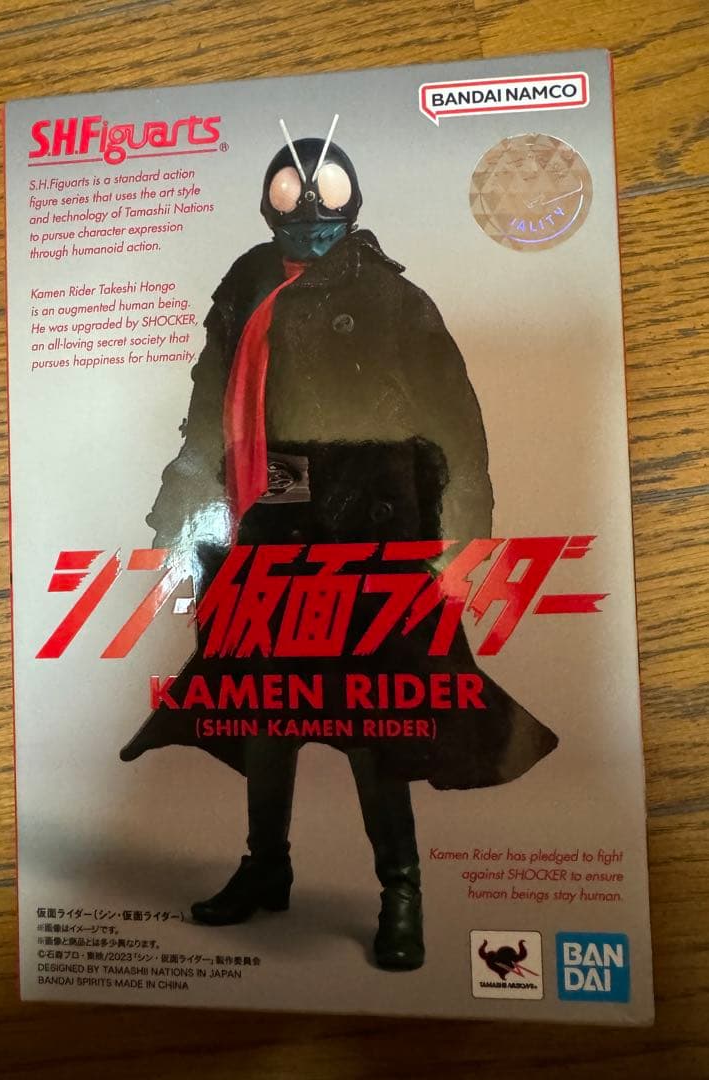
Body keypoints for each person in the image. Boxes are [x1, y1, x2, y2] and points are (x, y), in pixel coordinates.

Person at [121, 119, 557, 970]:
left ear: (353, 202)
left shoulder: (391, 299)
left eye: (324, 195)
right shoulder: (247, 282)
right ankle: (267, 867)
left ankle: (402, 890)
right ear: (268, 201)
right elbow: (210, 400)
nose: (309, 212)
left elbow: (454, 421)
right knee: (260, 705)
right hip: (259, 530)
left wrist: (459, 536)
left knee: (370, 715)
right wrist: (184, 503)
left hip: (364, 541)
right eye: (290, 194)